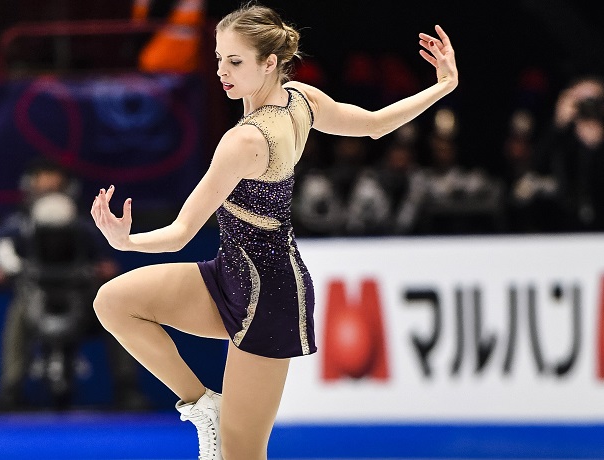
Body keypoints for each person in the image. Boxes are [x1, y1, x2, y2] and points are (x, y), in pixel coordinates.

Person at [90, 4, 457, 459]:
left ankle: (213, 414)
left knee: (242, 453)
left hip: (270, 296)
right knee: (114, 302)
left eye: (236, 62)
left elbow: (182, 231)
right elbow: (376, 125)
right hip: (230, 273)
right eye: (220, 58)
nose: (222, 71)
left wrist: (126, 242)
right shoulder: (301, 99)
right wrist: (442, 86)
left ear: (269, 63)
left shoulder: (245, 141)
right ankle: (204, 406)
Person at [0, 159, 149, 413]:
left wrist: (104, 270)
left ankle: (127, 389)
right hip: (37, 303)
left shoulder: (87, 225)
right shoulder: (14, 227)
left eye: (55, 187)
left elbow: (109, 264)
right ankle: (10, 389)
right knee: (19, 312)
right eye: (43, 186)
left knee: (115, 315)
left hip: (83, 304)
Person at [535, 76, 604, 231]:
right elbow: (536, 166)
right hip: (564, 226)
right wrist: (558, 124)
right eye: (581, 101)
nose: (589, 107)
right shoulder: (561, 138)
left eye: (595, 101)